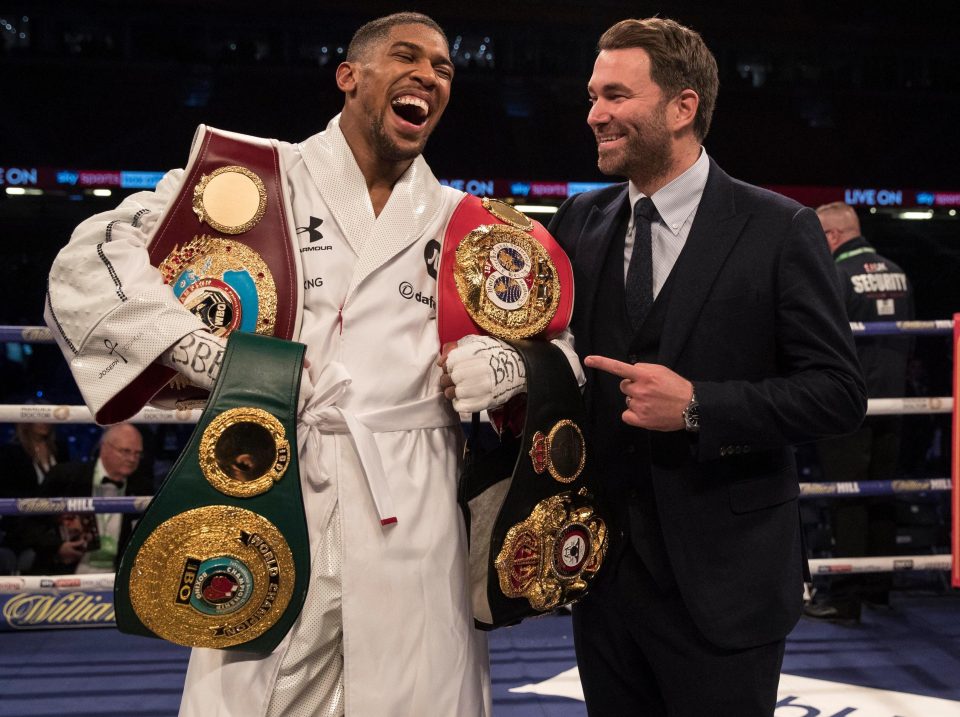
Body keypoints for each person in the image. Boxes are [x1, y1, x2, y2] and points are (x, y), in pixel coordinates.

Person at [43, 13, 492, 717]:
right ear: (349, 77)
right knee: (258, 691)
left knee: (420, 689)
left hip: (417, 498)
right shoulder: (252, 176)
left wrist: (509, 364)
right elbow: (86, 265)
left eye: (443, 68)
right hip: (276, 477)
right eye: (407, 57)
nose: (429, 75)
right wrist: (201, 350)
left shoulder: (463, 219)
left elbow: (545, 332)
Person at [547, 17, 866, 716]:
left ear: (682, 107)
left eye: (616, 95)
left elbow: (838, 393)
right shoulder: (580, 219)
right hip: (602, 581)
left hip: (727, 585)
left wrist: (699, 406)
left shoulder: (778, 228)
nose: (594, 113)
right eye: (593, 95)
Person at [804, 201, 915, 622]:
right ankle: (878, 591)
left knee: (848, 498)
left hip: (848, 403)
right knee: (884, 493)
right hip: (897, 401)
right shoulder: (898, 271)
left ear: (832, 236)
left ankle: (847, 599)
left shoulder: (835, 273)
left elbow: (820, 340)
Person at [17, 423, 151, 575]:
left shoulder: (142, 487)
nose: (132, 459)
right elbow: (26, 525)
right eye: (125, 451)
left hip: (116, 579)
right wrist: (57, 547)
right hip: (63, 576)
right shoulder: (66, 476)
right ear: (105, 448)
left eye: (137, 453)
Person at [0, 422, 65, 573]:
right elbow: (8, 491)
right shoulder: (11, 452)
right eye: (39, 418)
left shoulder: (60, 448)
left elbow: (67, 484)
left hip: (56, 518)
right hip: (23, 519)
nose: (45, 423)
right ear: (26, 423)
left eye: (47, 418)